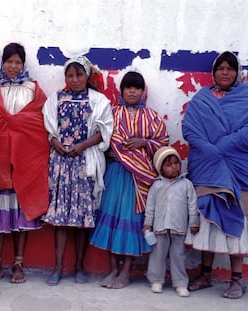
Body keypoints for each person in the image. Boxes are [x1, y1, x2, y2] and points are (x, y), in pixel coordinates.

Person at [182, 51, 248, 299]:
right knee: (209, 220)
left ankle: (236, 280)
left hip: (238, 169)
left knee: (239, 219)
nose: (225, 72)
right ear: (214, 72)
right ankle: (205, 274)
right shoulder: (202, 98)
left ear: (237, 72)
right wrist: (209, 149)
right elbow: (190, 129)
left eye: (230, 68)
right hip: (207, 167)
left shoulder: (247, 97)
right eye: (220, 68)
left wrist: (219, 147)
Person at [0, 42, 50, 284]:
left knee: (21, 216)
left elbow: (38, 122)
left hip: (25, 161)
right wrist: (6, 131)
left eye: (18, 62)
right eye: (9, 61)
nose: (13, 66)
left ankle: (19, 264)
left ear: (23, 64)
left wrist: (15, 130)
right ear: (2, 63)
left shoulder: (32, 90)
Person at [90, 71, 169, 289]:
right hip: (115, 174)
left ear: (143, 92)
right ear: (122, 90)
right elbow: (103, 136)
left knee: (131, 223)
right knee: (111, 221)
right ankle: (113, 269)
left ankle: (126, 272)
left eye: (137, 88)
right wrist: (115, 151)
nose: (132, 91)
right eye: (128, 87)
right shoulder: (111, 113)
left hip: (139, 179)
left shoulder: (152, 117)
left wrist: (144, 142)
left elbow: (162, 141)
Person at [42, 56, 113, 286]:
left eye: (79, 75)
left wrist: (82, 146)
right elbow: (49, 129)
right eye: (70, 76)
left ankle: (80, 266)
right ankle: (58, 267)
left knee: (83, 218)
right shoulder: (56, 99)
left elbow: (105, 130)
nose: (74, 80)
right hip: (62, 165)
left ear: (87, 76)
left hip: (85, 163)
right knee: (61, 219)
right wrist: (57, 145)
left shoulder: (99, 100)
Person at [142, 146, 199, 297]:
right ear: (161, 168)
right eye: (169, 164)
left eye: (176, 163)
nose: (174, 167)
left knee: (178, 256)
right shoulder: (157, 185)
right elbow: (150, 207)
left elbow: (192, 205)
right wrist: (148, 224)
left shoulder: (186, 185)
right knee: (157, 254)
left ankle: (180, 283)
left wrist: (194, 222)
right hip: (159, 227)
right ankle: (156, 280)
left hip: (179, 228)